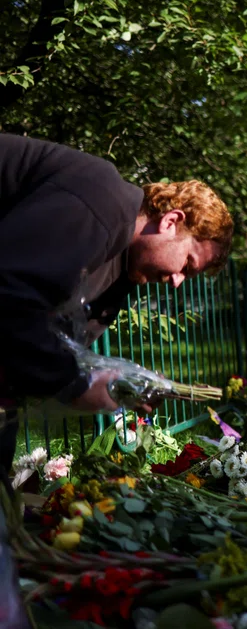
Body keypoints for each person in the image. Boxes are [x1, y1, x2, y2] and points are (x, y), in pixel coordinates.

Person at [0, 133, 233, 626]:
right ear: (172, 221)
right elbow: (10, 293)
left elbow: (60, 337)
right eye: (186, 265)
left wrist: (113, 381)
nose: (176, 283)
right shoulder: (100, 200)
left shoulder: (117, 271)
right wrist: (74, 385)